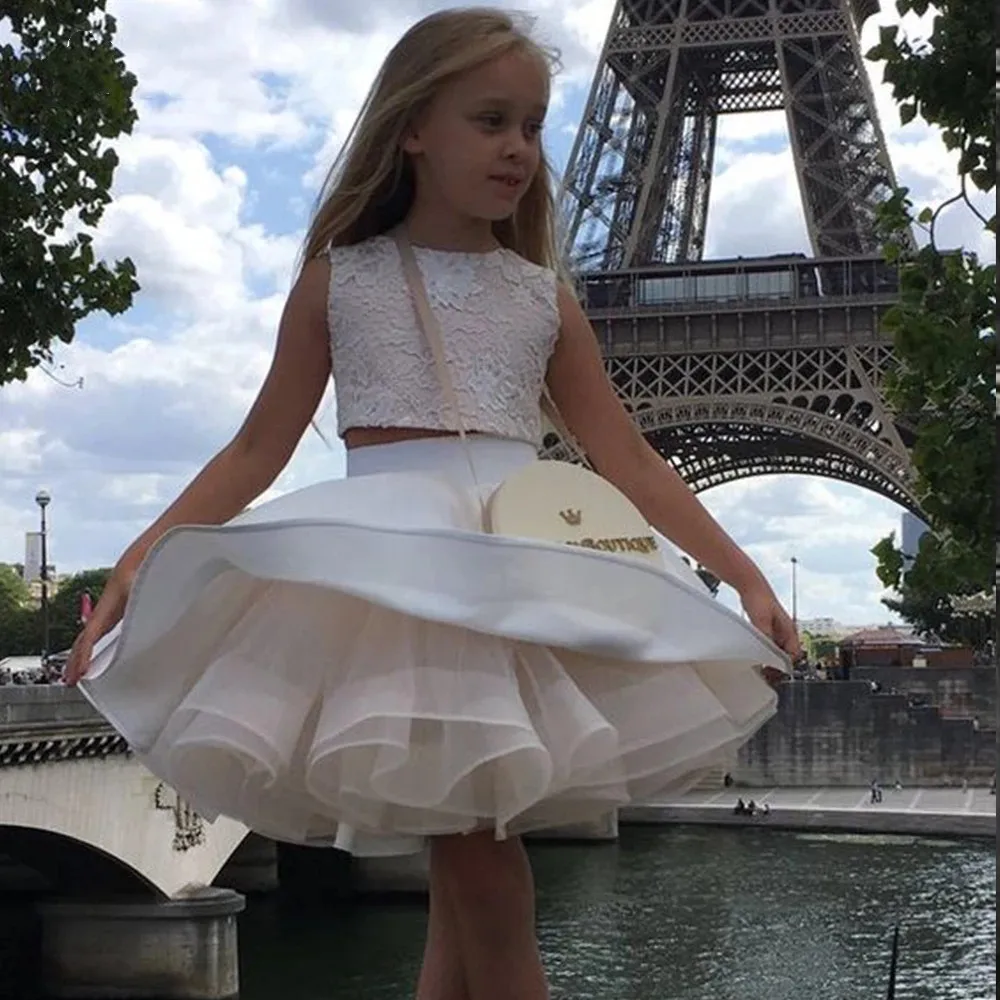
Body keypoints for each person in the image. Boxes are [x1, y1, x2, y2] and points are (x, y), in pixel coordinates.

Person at [63, 9, 799, 1000]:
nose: (517, 149)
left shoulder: (542, 296)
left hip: (513, 573)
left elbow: (623, 454)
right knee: (479, 866)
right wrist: (139, 559)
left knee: (470, 873)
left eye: (532, 126)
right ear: (413, 127)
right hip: (400, 589)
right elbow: (254, 448)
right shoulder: (338, 283)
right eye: (490, 119)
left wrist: (746, 574)